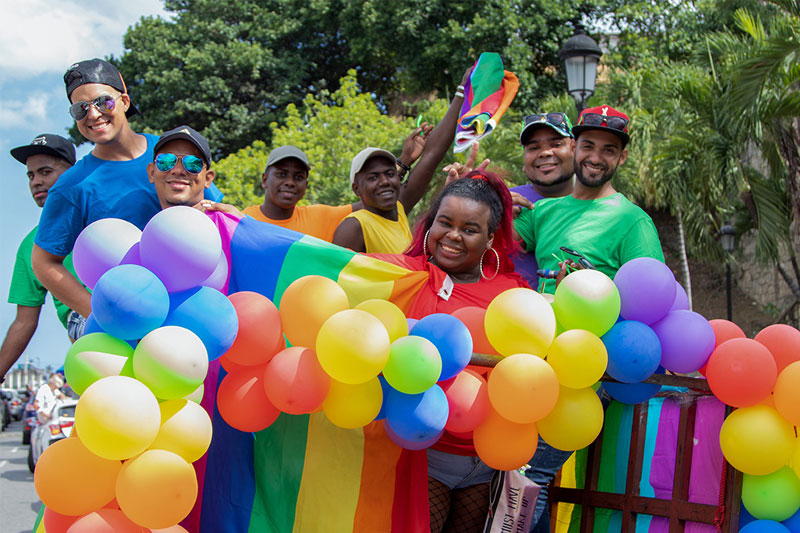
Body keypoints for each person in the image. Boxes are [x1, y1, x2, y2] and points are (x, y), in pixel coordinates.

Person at [513, 105, 664, 533]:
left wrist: (594, 287)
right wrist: (481, 189)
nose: (596, 157)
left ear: (622, 158)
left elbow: (651, 299)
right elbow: (478, 236)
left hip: (584, 370)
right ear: (574, 148)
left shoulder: (633, 220)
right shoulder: (543, 213)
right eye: (589, 145)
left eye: (609, 150)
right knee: (512, 472)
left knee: (529, 474)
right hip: (531, 360)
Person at [373, 169, 529, 533]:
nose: (453, 236)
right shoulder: (401, 276)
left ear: (491, 237)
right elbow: (330, 261)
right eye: (445, 222)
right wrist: (236, 222)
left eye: (470, 229)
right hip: (424, 457)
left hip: (488, 462)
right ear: (430, 224)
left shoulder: (513, 290)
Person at [31, 58, 222, 327]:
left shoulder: (172, 153)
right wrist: (99, 314)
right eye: (80, 109)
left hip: (192, 311)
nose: (94, 115)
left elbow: (219, 216)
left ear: (125, 101)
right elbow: (43, 262)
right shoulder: (71, 186)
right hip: (127, 320)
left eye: (103, 102)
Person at [333, 67, 472, 253]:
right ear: (356, 188)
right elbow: (334, 279)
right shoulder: (354, 227)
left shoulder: (398, 210)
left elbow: (432, 154)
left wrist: (462, 89)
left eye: (390, 173)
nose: (384, 182)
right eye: (373, 177)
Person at [243, 125, 432, 241]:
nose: (290, 182)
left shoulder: (320, 216)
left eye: (299, 177)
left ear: (306, 186)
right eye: (282, 174)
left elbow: (376, 197)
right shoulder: (241, 221)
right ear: (265, 180)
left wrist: (404, 161)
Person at [1, 134, 78, 383]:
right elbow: (23, 322)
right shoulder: (30, 247)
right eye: (31, 176)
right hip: (87, 329)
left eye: (45, 172)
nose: (36, 182)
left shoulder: (104, 215)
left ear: (72, 173)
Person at [510, 112, 576, 287]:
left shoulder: (596, 206)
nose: (545, 152)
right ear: (524, 161)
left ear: (575, 150)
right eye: (533, 148)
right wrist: (467, 199)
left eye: (556, 144)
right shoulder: (503, 199)